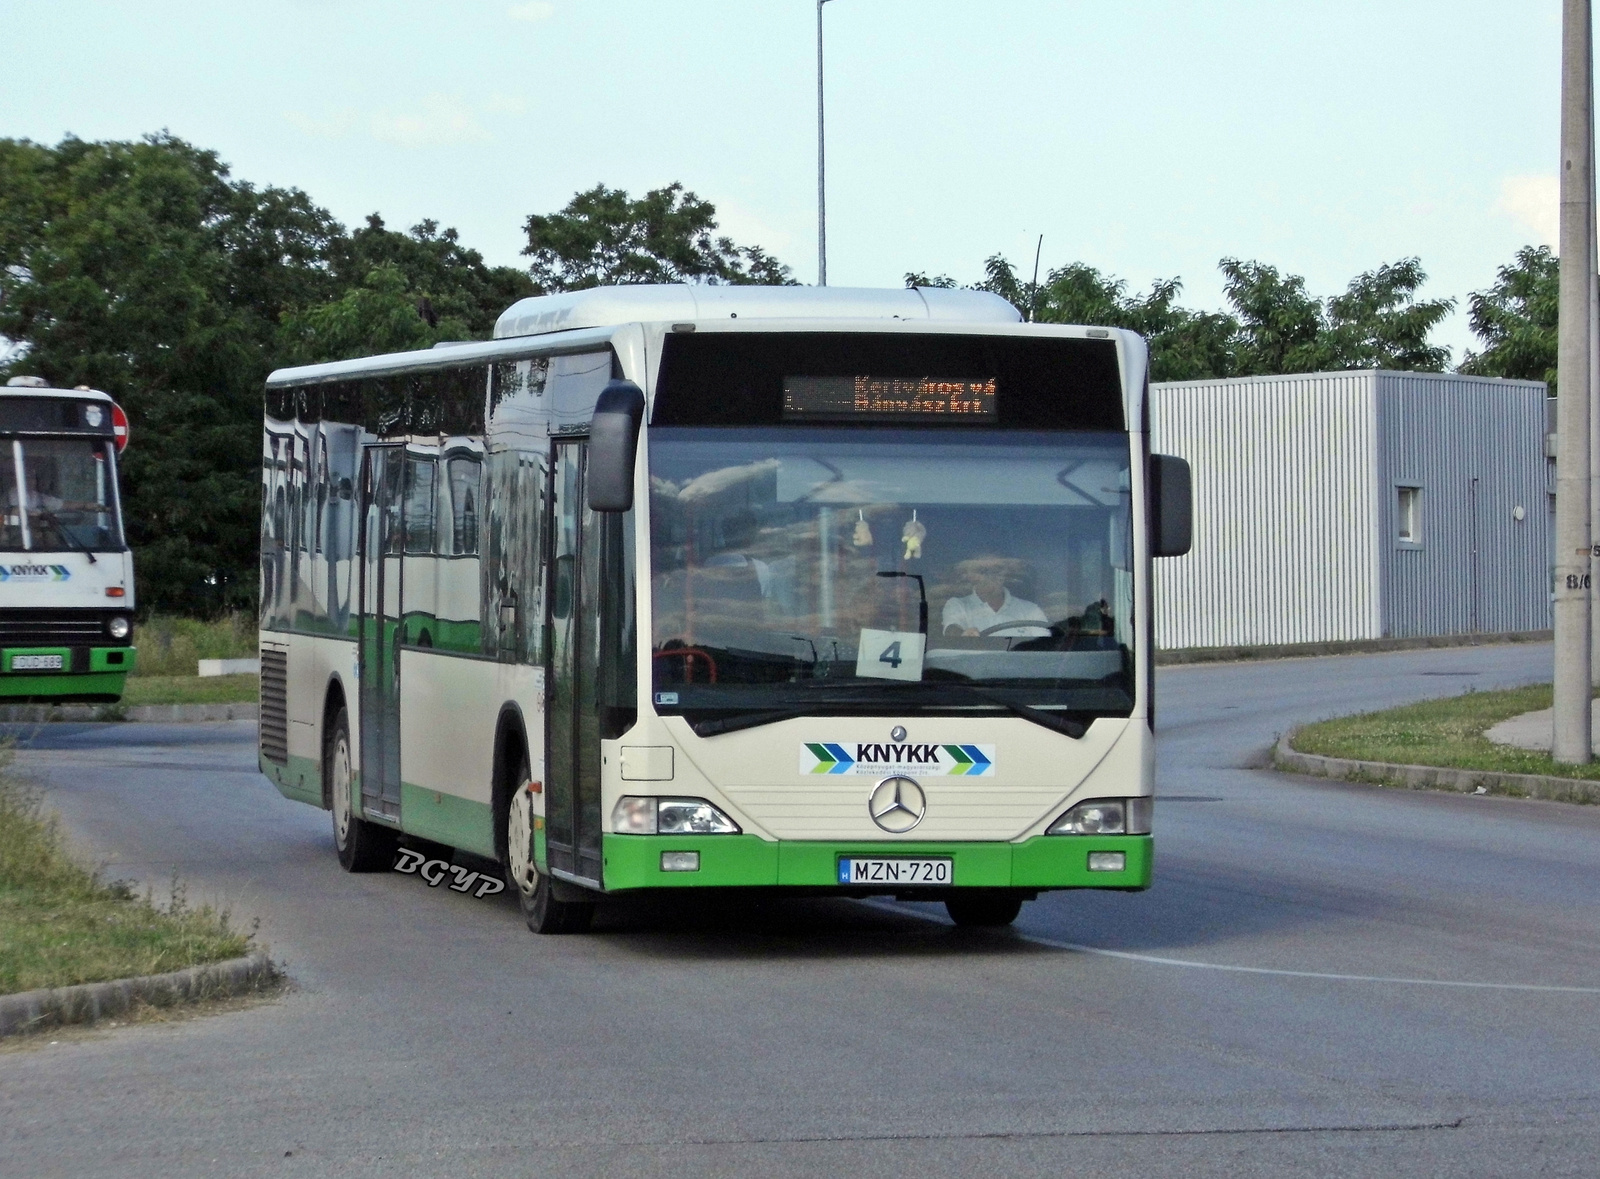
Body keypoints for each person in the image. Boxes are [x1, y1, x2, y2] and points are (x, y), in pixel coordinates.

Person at [941, 555, 1048, 638]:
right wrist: (963, 634)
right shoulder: (958, 605)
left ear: (1005, 574)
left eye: (997, 569)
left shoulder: (1030, 610)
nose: (990, 575)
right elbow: (951, 628)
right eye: (983, 571)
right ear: (970, 576)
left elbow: (1043, 646)